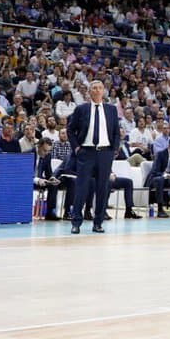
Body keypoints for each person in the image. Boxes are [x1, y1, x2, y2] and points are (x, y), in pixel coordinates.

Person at [66, 79, 120, 234]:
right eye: (94, 88)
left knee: (102, 189)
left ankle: (98, 222)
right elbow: (70, 130)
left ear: (104, 91)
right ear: (89, 92)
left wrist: (114, 149)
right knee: (81, 188)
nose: (97, 90)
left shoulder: (111, 110)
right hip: (86, 153)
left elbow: (116, 131)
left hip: (105, 153)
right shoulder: (81, 109)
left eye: (100, 88)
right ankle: (76, 222)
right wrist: (76, 148)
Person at [32, 138, 69, 221]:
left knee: (53, 185)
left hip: (41, 180)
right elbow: (25, 174)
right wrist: (37, 180)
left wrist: (53, 178)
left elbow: (48, 172)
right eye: (44, 150)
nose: (46, 153)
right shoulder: (29, 154)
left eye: (48, 151)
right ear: (38, 146)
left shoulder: (47, 155)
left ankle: (50, 212)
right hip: (28, 180)